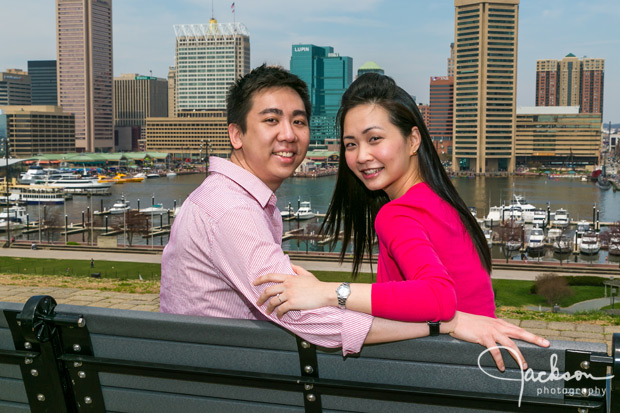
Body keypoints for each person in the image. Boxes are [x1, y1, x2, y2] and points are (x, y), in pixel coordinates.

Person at [160, 65, 548, 371]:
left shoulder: (398, 213)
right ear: (236, 134)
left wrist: (332, 292)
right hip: (454, 367)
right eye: (351, 144)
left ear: (413, 140)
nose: (289, 134)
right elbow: (300, 316)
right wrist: (445, 323)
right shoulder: (233, 209)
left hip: (441, 367)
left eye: (298, 121)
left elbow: (438, 297)